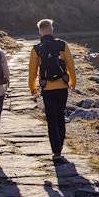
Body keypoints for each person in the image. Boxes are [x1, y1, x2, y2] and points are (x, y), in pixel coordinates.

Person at [29, 18, 76, 163]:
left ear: (39, 32)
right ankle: (60, 146)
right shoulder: (62, 45)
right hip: (62, 87)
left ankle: (56, 152)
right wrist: (73, 82)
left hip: (47, 88)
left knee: (51, 119)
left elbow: (32, 70)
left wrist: (32, 86)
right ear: (51, 29)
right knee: (60, 116)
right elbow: (70, 65)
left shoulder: (36, 49)